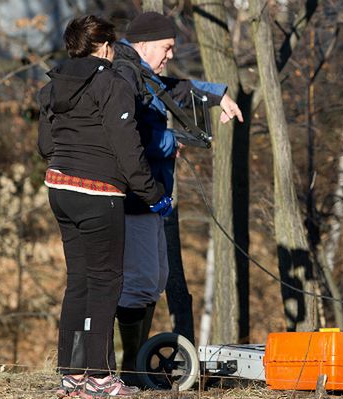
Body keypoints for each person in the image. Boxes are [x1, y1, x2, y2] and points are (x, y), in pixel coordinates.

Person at [38, 15, 172, 397]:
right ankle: (99, 377)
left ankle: (71, 376)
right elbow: (128, 151)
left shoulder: (51, 86)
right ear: (107, 46)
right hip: (99, 193)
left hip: (59, 189)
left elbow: (46, 147)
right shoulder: (112, 82)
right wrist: (154, 195)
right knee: (106, 283)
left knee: (78, 281)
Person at [110, 11, 243, 384]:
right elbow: (127, 137)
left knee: (156, 279)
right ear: (144, 44)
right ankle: (128, 372)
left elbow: (173, 89)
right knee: (138, 282)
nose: (170, 55)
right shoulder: (125, 75)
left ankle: (134, 366)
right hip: (135, 197)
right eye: (166, 48)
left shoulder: (142, 73)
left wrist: (220, 94)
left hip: (153, 196)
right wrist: (172, 142)